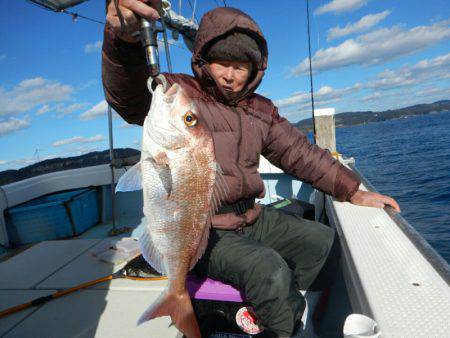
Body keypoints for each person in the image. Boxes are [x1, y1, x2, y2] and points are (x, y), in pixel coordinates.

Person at [103, 1, 401, 337]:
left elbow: (299, 153)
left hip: (252, 216)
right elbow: (128, 96)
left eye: (240, 66)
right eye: (220, 63)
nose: (229, 75)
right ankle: (279, 326)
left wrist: (352, 191)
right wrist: (123, 40)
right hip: (205, 230)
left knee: (323, 242)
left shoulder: (261, 110)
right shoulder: (180, 93)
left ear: (255, 69)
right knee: (268, 270)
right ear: (203, 60)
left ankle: (293, 312)